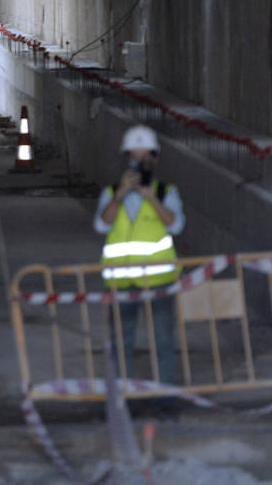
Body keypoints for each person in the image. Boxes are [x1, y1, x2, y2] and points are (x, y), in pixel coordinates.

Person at [95, 125, 185, 394]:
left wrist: (152, 198)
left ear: (154, 159)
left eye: (144, 158)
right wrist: (120, 195)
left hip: (159, 282)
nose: (138, 165)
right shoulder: (112, 193)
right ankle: (123, 399)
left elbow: (175, 225)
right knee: (121, 343)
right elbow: (102, 224)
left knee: (163, 342)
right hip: (121, 282)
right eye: (134, 159)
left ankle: (165, 399)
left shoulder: (165, 192)